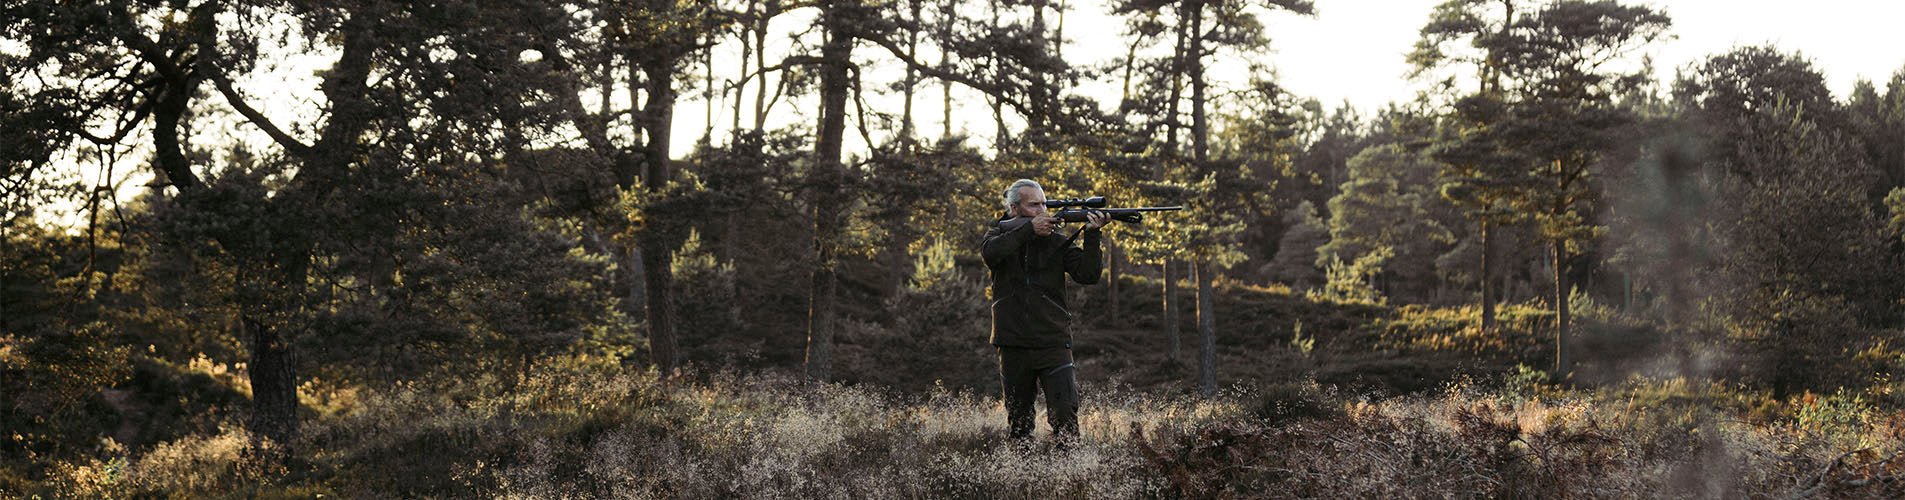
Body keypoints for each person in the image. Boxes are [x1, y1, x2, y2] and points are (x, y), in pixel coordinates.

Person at [981, 179, 1108, 447]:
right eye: (1034, 204)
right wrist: (1028, 231)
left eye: (1044, 203)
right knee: (1019, 422)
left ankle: (1069, 477)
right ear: (1014, 209)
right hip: (1012, 343)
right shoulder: (997, 237)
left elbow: (1088, 274)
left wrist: (1093, 234)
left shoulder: (1056, 241)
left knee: (1065, 416)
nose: (1043, 209)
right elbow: (991, 254)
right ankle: (1024, 479)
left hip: (1053, 341)